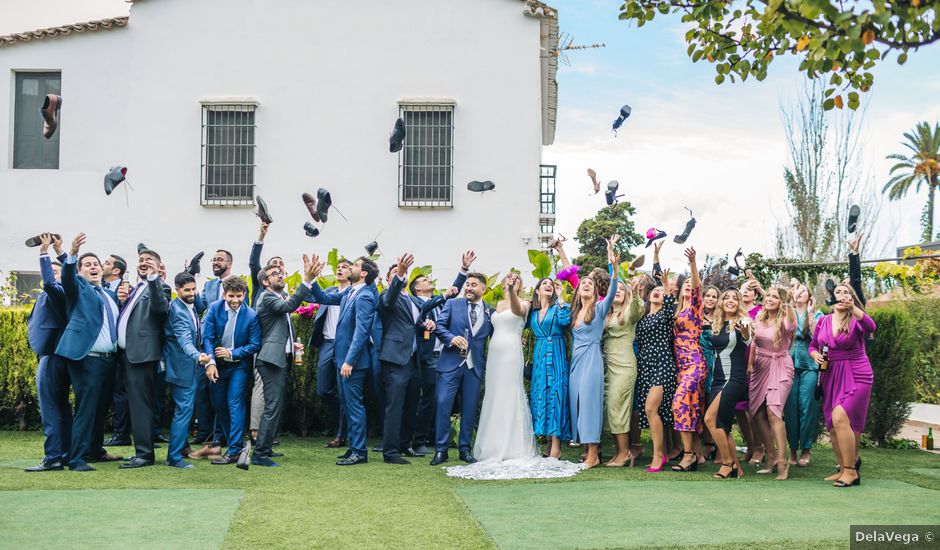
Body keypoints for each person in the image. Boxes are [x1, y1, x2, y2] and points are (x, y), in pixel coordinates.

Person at [444, 273, 583, 480]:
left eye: (515, 278)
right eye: (509, 277)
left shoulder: (525, 303)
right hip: (495, 355)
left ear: (520, 285)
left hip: (510, 353)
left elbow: (518, 312)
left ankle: (514, 446)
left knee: (511, 393)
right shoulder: (495, 305)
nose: (511, 278)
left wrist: (511, 291)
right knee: (494, 395)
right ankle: (492, 445)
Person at [56, 233, 125, 471]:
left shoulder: (109, 294)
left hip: (109, 361)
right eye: (88, 265)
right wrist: (72, 252)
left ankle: (95, 450)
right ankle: (76, 458)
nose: (94, 267)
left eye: (96, 264)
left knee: (101, 407)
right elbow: (67, 276)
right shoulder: (78, 288)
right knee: (86, 409)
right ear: (80, 271)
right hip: (87, 359)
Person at [309, 256, 380, 466]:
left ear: (364, 273)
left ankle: (360, 452)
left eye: (355, 265)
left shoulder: (365, 296)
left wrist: (349, 361)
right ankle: (353, 448)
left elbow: (361, 331)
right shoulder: (350, 292)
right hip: (341, 359)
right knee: (348, 405)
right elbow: (323, 297)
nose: (351, 268)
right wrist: (311, 279)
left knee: (355, 406)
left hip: (353, 362)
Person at [809, 283, 876, 488]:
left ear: (851, 298)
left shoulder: (856, 319)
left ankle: (851, 471)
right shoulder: (824, 321)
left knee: (840, 417)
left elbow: (871, 327)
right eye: (838, 292)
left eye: (846, 293)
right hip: (831, 374)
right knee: (832, 425)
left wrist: (853, 307)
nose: (841, 295)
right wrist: (815, 355)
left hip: (857, 373)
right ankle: (841, 468)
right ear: (832, 297)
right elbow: (813, 345)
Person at [251, 256, 316, 467]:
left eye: (281, 272)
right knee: (272, 406)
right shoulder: (267, 297)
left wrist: (291, 344)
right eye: (274, 274)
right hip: (269, 360)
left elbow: (276, 329)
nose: (280, 275)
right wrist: (306, 280)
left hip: (278, 357)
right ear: (265, 282)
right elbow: (289, 306)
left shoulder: (276, 296)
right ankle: (260, 454)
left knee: (275, 406)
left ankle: (266, 447)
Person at [377, 254, 439, 464]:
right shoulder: (386, 296)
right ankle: (391, 452)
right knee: (395, 406)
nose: (399, 275)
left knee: (413, 404)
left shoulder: (413, 301)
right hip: (395, 359)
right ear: (390, 280)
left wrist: (426, 325)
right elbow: (390, 300)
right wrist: (401, 274)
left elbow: (414, 323)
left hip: (414, 359)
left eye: (401, 272)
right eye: (394, 273)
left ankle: (406, 444)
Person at [408, 252, 472, 455]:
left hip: (445, 357)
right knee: (428, 400)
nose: (430, 280)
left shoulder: (440, 302)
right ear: (417, 288)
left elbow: (452, 293)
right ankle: (419, 441)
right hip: (426, 359)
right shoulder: (415, 303)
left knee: (442, 399)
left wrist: (463, 271)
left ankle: (437, 439)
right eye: (425, 280)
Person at [430, 272, 494, 466]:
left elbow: (497, 335)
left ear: (483, 289)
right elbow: (439, 327)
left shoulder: (490, 312)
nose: (468, 288)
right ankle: (441, 450)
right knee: (442, 404)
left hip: (474, 368)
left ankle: (465, 449)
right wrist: (451, 338)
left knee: (469, 408)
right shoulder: (452, 304)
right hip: (450, 364)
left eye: (474, 285)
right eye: (467, 285)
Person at [115, 248, 172, 469]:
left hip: (142, 356)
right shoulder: (135, 289)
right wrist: (122, 302)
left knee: (141, 406)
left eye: (149, 260)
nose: (143, 262)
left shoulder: (159, 287)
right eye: (140, 260)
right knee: (134, 404)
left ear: (158, 266)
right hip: (125, 355)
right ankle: (141, 450)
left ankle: (145, 454)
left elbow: (160, 307)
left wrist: (153, 278)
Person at [569, 237, 620, 469]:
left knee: (590, 403)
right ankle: (585, 448)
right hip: (575, 361)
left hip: (592, 359)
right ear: (578, 290)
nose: (586, 284)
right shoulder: (575, 311)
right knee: (577, 403)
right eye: (583, 283)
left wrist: (613, 264)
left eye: (590, 282)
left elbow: (612, 290)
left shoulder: (600, 308)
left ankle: (593, 454)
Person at [200, 276, 262, 465]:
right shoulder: (214, 308)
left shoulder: (251, 315)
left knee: (234, 402)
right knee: (219, 404)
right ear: (224, 294)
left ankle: (234, 449)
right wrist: (210, 362)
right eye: (231, 296)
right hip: (217, 365)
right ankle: (236, 443)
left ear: (244, 294)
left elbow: (254, 344)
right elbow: (207, 338)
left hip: (239, 366)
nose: (235, 300)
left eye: (239, 296)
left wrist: (232, 352)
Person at [25, 234, 70, 472]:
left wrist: (44, 252)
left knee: (51, 409)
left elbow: (52, 282)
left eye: (55, 270)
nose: (50, 274)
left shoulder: (59, 291)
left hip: (52, 356)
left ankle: (53, 457)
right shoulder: (51, 293)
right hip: (51, 355)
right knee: (59, 407)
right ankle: (63, 454)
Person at [163, 272, 212, 468]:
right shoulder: (179, 311)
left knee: (184, 410)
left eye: (193, 289)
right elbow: (184, 340)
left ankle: (181, 447)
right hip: (182, 367)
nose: (192, 293)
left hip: (185, 366)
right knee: (184, 410)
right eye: (187, 290)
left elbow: (200, 305)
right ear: (177, 290)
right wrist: (198, 356)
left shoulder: (188, 305)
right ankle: (174, 457)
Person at [703, 289, 753, 480]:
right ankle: (737, 469)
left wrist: (746, 333)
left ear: (739, 303)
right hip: (718, 380)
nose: (730, 301)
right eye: (726, 298)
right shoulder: (717, 324)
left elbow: (748, 339)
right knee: (722, 425)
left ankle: (727, 463)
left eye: (735, 298)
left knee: (710, 419)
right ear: (721, 302)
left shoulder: (743, 322)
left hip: (734, 379)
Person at [748, 285, 797, 481]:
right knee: (757, 413)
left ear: (781, 302)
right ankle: (771, 458)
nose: (769, 299)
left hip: (780, 366)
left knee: (773, 411)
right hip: (759, 366)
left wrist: (789, 304)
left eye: (775, 297)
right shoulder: (759, 317)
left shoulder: (785, 318)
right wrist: (750, 365)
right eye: (768, 295)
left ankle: (783, 463)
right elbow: (753, 342)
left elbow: (792, 327)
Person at [189, 249, 234, 453]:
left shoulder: (236, 284)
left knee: (219, 391)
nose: (215, 262)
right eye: (214, 259)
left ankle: (219, 435)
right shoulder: (209, 284)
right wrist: (195, 285)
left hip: (224, 346)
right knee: (202, 388)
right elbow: (200, 307)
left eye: (220, 259)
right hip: (205, 344)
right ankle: (204, 431)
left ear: (229, 264)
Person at [634, 265, 677, 472]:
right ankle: (662, 451)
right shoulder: (642, 317)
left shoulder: (666, 315)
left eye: (661, 292)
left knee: (651, 408)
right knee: (652, 411)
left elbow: (670, 305)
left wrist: (666, 285)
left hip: (662, 362)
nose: (657, 293)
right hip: (645, 364)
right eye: (655, 291)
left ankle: (658, 455)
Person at [248, 221, 286, 444]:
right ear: (265, 278)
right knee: (261, 388)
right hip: (262, 345)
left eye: (282, 267)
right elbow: (254, 263)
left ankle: (267, 434)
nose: (279, 269)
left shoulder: (283, 292)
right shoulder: (264, 290)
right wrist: (261, 234)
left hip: (281, 350)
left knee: (274, 395)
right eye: (274, 266)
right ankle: (256, 431)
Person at [527, 276, 572, 459]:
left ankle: (556, 446)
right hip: (539, 355)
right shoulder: (533, 312)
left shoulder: (558, 308)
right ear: (537, 291)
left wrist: (561, 298)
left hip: (556, 353)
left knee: (556, 396)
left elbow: (564, 322)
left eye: (551, 285)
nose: (549, 286)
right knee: (541, 395)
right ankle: (546, 441)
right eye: (544, 284)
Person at [671, 247, 707, 473]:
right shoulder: (676, 311)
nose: (688, 287)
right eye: (683, 285)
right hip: (681, 366)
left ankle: (688, 455)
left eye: (689, 286)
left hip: (695, 362)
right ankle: (697, 453)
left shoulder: (694, 308)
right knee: (692, 407)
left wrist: (693, 263)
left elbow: (696, 287)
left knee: (681, 402)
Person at [602, 274, 644, 467]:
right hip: (607, 365)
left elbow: (638, 309)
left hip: (624, 365)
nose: (617, 292)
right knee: (609, 409)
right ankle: (619, 451)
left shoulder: (629, 311)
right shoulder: (607, 313)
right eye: (614, 289)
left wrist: (635, 293)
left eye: (622, 289)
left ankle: (625, 453)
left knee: (616, 407)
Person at [310, 259, 353, 449]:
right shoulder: (329, 293)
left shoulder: (354, 293)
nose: (340, 270)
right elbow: (313, 297)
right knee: (323, 390)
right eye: (338, 268)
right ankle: (343, 422)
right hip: (327, 343)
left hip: (346, 345)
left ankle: (341, 434)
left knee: (345, 392)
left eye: (345, 267)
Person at [785, 282, 822, 467]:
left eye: (802, 291)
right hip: (788, 366)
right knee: (790, 409)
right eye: (796, 291)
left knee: (808, 407)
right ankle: (792, 450)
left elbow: (818, 338)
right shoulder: (787, 313)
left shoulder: (817, 314)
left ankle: (806, 449)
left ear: (809, 297)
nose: (798, 294)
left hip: (810, 367)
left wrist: (809, 314)